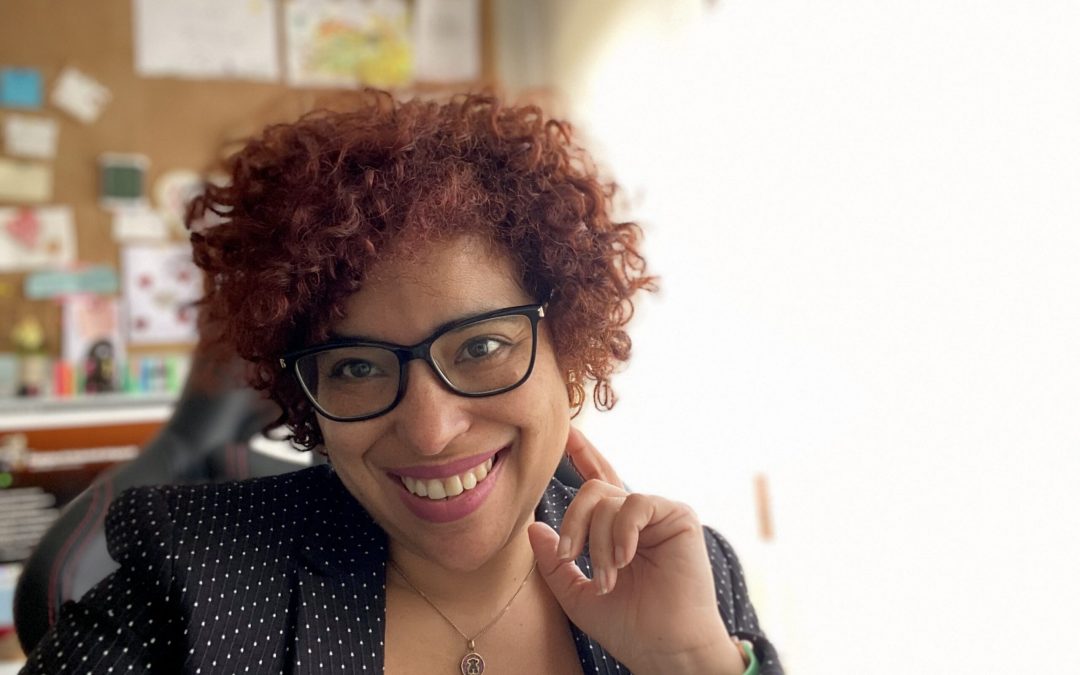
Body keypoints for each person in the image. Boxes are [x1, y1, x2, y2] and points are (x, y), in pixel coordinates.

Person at [20, 91, 783, 674]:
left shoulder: (685, 574)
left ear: (569, 345)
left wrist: (695, 666)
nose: (429, 428)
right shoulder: (192, 585)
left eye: (481, 346)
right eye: (357, 366)